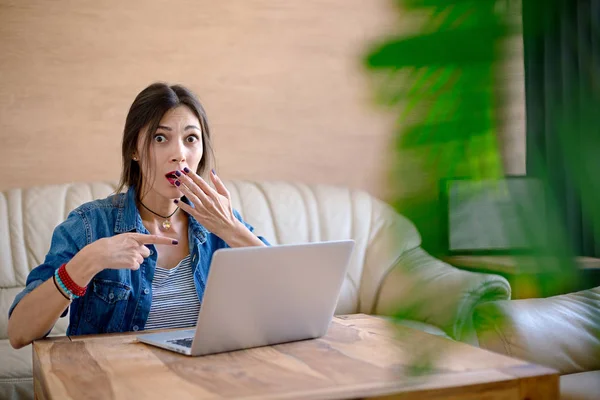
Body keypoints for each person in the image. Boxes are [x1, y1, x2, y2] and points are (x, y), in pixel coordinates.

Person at [7, 83, 269, 349]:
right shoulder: (91, 224)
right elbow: (19, 332)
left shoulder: (221, 222)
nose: (179, 154)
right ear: (134, 149)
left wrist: (233, 230)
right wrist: (87, 262)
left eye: (191, 139)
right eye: (160, 138)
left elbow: (292, 301)